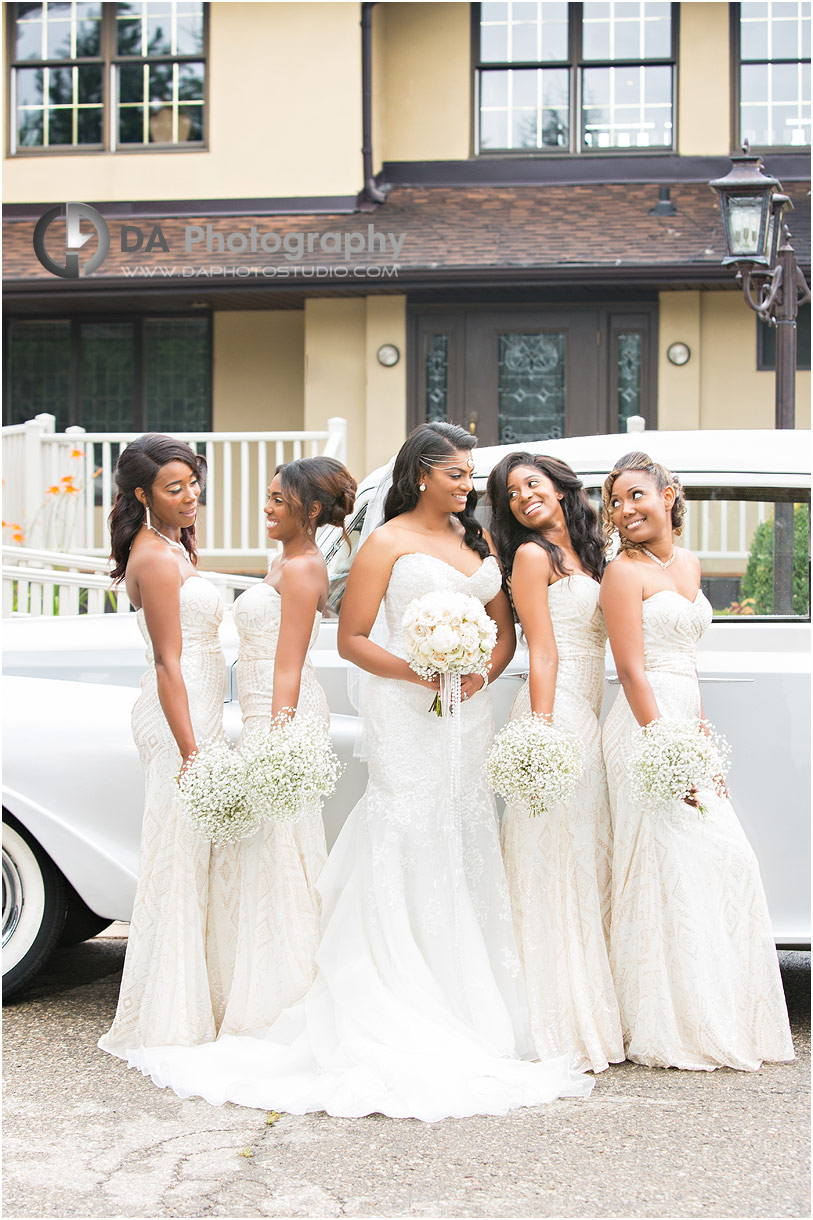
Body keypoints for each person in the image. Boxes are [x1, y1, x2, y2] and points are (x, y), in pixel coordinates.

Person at [124, 423, 593, 1119]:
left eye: (470, 475)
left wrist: (477, 677)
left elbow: (502, 628)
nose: (470, 487)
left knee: (460, 834)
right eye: (457, 475)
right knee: (404, 826)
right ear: (423, 474)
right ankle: (390, 987)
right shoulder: (386, 541)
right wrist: (423, 674)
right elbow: (351, 638)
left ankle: (462, 994)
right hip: (406, 710)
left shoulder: (480, 542)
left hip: (467, 713)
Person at [600, 450, 794, 1071]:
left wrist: (702, 745)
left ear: (667, 494)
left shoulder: (688, 564)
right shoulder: (622, 574)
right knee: (659, 870)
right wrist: (667, 748)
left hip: (684, 720)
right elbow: (631, 670)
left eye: (637, 495)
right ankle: (660, 1020)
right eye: (615, 501)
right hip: (643, 728)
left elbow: (688, 661)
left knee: (719, 863)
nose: (626, 510)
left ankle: (710, 1007)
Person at [487, 453, 624, 1074]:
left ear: (562, 488)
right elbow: (541, 652)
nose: (522, 498)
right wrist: (539, 735)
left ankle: (587, 1006)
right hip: (553, 713)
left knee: (581, 858)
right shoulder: (532, 556)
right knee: (550, 862)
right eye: (510, 494)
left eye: (532, 484)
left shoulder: (594, 556)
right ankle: (548, 1019)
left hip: (586, 719)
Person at [213, 458, 357, 1036]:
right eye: (268, 497)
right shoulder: (283, 560)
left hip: (283, 718)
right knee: (268, 847)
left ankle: (289, 989)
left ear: (312, 510)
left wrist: (275, 738)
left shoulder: (303, 569)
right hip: (263, 712)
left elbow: (289, 665)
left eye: (278, 499)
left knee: (284, 847)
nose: (267, 507)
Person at [99, 434, 227, 1058]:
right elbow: (169, 664)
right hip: (179, 715)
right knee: (177, 854)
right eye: (174, 489)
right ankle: (171, 1012)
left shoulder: (174, 545)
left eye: (193, 484)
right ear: (142, 495)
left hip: (195, 708)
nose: (190, 496)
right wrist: (193, 751)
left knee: (193, 852)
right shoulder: (153, 557)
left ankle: (200, 992)